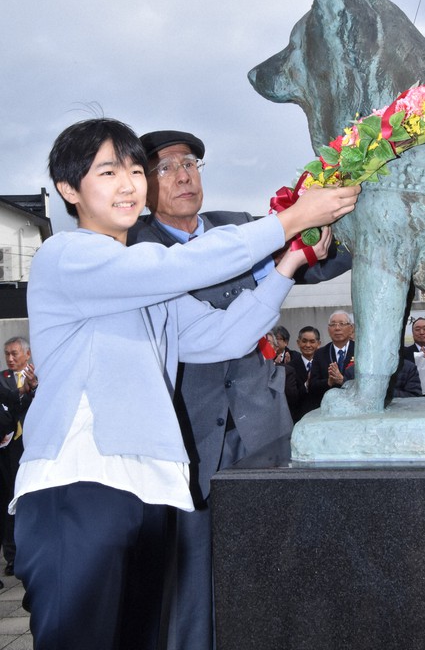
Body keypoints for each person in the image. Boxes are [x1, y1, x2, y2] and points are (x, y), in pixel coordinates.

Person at [12, 117, 359, 650]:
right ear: (68, 189)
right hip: (78, 487)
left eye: (133, 170)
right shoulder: (68, 256)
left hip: (149, 494)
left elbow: (223, 336)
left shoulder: (145, 285)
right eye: (108, 171)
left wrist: (289, 262)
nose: (129, 183)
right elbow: (179, 267)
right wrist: (289, 220)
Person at [128, 130, 357, 650]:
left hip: (263, 431)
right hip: (188, 441)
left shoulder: (241, 227)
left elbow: (325, 260)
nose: (184, 175)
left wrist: (334, 220)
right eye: (166, 168)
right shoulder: (137, 248)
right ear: (142, 185)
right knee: (191, 584)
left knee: (276, 567)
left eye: (191, 163)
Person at [0, 338, 38, 576]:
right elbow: (10, 402)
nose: (10, 359)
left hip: (34, 447)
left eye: (14, 354)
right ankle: (12, 557)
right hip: (9, 449)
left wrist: (33, 388)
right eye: (7, 355)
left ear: (28, 353)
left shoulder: (42, 377)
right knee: (9, 500)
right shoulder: (2, 379)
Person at [307, 311, 355, 411]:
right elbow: (312, 386)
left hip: (354, 406)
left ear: (351, 329)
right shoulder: (320, 354)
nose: (337, 328)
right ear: (329, 330)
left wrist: (343, 380)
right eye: (333, 324)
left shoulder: (360, 351)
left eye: (342, 324)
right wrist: (329, 382)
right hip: (328, 408)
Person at [285, 326, 321, 420]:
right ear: (298, 343)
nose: (308, 345)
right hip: (299, 417)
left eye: (312, 341)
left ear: (318, 344)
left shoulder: (325, 364)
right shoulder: (289, 368)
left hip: (321, 417)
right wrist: (306, 385)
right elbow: (291, 398)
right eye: (304, 341)